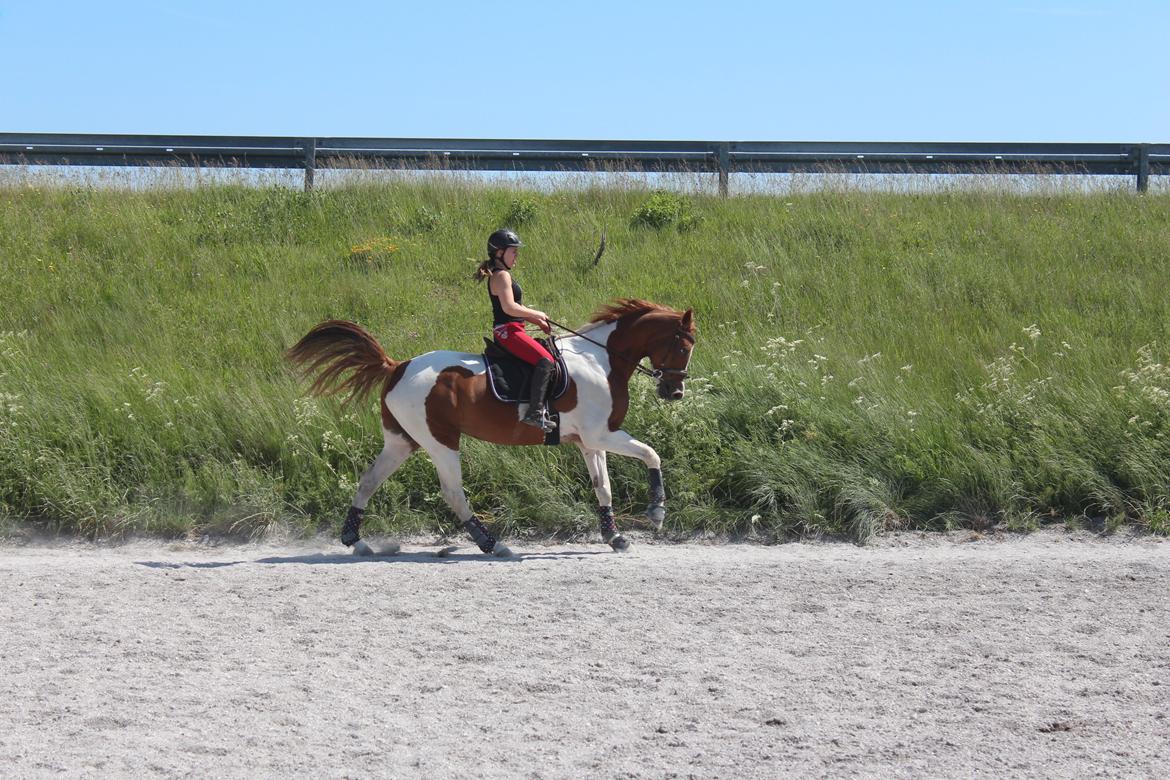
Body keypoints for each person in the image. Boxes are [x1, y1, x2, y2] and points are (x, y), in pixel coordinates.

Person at [474, 229, 556, 431]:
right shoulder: (501, 276)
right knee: (546, 361)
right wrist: (538, 313)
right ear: (500, 253)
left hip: (514, 328)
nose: (516, 256)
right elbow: (509, 308)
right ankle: (534, 413)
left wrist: (536, 322)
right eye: (513, 252)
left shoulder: (502, 274)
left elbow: (514, 310)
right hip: (508, 332)